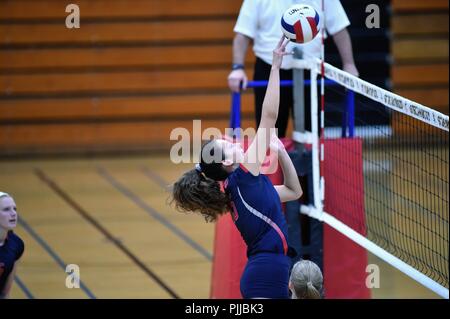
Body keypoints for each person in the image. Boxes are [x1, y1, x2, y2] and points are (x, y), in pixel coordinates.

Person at [172, 37, 302, 299]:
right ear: (226, 162)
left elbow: (293, 191)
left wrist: (280, 153)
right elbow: (268, 116)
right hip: (265, 275)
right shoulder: (244, 176)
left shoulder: (240, 186)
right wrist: (275, 67)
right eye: (227, 143)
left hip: (268, 272)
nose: (233, 141)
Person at [228, 0, 359, 137]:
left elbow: (339, 30)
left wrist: (349, 65)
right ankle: (271, 157)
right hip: (269, 71)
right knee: (269, 134)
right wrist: (238, 68)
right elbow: (242, 34)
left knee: (311, 134)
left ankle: (310, 157)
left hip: (311, 72)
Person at [0, 192, 24, 299]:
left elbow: (5, 293)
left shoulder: (15, 245)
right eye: (6, 209)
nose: (13, 213)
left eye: (15, 209)